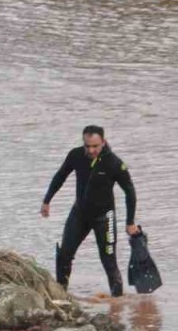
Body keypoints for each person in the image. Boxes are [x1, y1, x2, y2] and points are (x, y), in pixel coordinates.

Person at [40, 126, 139, 297]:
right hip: (80, 214)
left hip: (104, 218)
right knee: (64, 255)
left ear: (103, 142)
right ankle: (61, 296)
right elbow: (60, 176)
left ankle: (117, 304)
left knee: (109, 261)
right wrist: (47, 200)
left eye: (95, 146)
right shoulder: (76, 155)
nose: (91, 150)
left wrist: (130, 222)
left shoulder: (114, 163)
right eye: (88, 146)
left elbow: (130, 192)